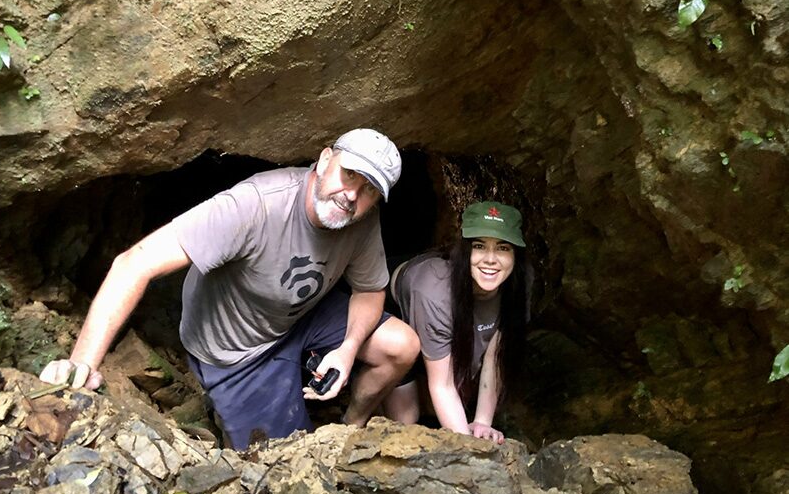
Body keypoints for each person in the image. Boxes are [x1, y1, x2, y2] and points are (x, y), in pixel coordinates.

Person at [39, 128, 420, 449]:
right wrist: (81, 365)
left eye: (369, 189)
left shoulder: (360, 217)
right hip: (237, 352)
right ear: (323, 162)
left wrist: (347, 351)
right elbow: (133, 263)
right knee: (279, 463)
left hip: (302, 314)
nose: (352, 195)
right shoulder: (256, 205)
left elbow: (370, 291)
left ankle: (348, 428)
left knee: (401, 346)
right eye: (349, 174)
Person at [383, 201, 530, 444]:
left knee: (455, 399)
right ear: (463, 250)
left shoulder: (519, 284)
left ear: (516, 255)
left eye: (503, 248)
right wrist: (469, 449)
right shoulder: (434, 291)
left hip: (439, 309)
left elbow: (495, 355)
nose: (491, 259)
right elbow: (442, 385)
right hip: (393, 303)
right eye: (479, 246)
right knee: (406, 422)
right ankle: (351, 423)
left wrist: (482, 421)